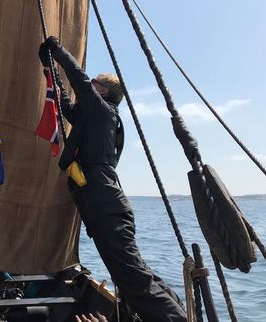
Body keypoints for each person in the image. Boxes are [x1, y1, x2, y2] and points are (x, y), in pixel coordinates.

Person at [38, 37, 187, 322]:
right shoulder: (94, 117)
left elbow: (78, 81)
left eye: (94, 83)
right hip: (105, 207)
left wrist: (57, 51)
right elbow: (65, 102)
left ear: (102, 90)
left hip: (106, 207)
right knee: (131, 272)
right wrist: (49, 68)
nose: (89, 85)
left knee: (132, 277)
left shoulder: (103, 111)